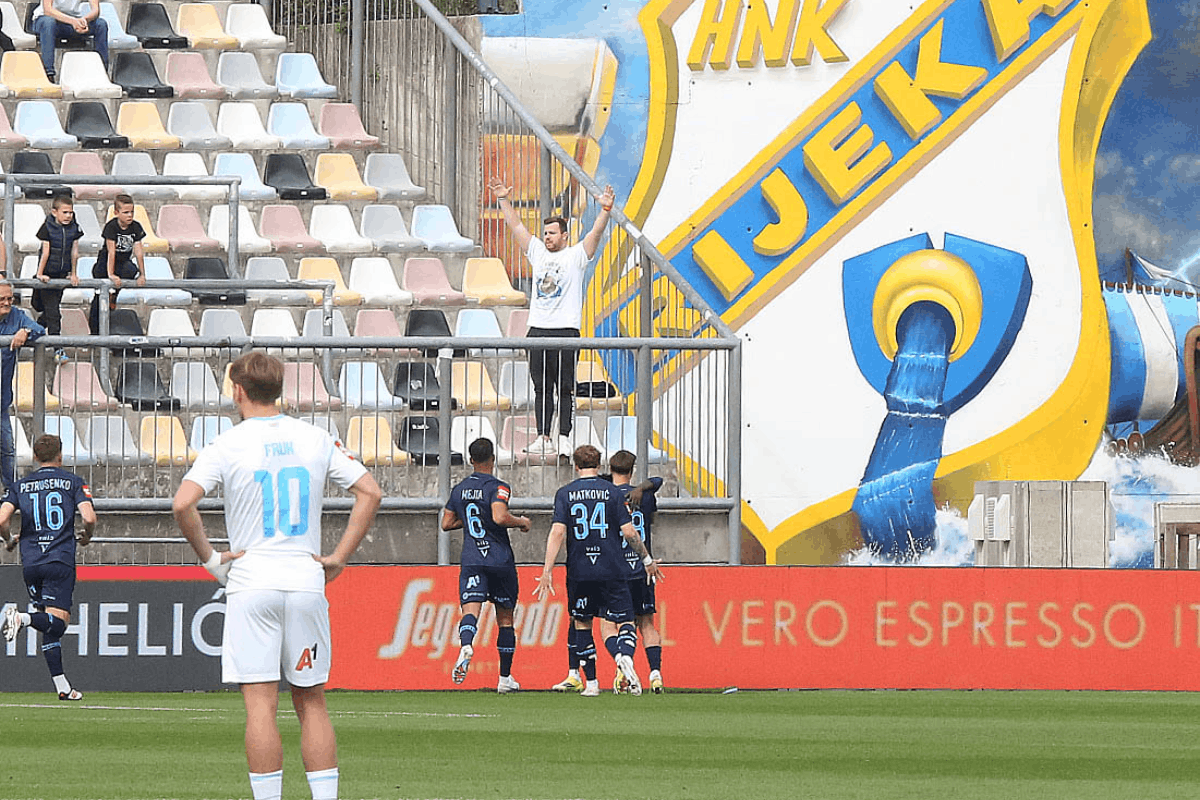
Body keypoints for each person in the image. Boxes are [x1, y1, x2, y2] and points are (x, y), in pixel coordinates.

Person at [173, 352, 382, 800]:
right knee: (311, 701)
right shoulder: (315, 437)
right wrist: (340, 556)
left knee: (260, 706)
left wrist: (210, 558)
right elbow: (370, 491)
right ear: (279, 389)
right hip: (305, 579)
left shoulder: (227, 443)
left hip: (252, 582)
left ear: (238, 390)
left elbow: (182, 503)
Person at [487, 177, 615, 456]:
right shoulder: (537, 253)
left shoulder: (576, 256)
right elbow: (516, 227)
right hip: (538, 330)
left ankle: (564, 436)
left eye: (553, 233)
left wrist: (605, 210)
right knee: (541, 387)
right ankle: (543, 436)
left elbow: (595, 234)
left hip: (566, 330)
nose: (547, 237)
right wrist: (503, 199)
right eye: (545, 233)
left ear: (564, 236)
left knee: (565, 387)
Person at [533, 445, 661, 697]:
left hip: (579, 569)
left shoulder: (565, 493)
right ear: (599, 465)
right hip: (611, 568)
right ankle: (624, 657)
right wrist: (646, 559)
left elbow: (558, 532)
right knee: (625, 620)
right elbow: (629, 532)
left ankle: (591, 683)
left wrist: (547, 569)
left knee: (582, 623)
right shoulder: (612, 492)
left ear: (576, 466)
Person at [0, 434, 96, 701]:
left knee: (50, 625)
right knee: (59, 624)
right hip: (58, 559)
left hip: (31, 561)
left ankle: (63, 687)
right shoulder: (72, 482)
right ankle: (22, 619)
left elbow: (2, 519)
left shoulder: (20, 486)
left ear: (35, 457)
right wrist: (87, 535)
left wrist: (9, 541)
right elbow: (89, 517)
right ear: (60, 456)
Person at [441, 437, 531, 693]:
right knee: (505, 618)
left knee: (470, 610)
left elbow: (446, 523)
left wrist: (472, 519)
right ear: (492, 458)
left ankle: (466, 645)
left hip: (472, 559)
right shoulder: (499, 487)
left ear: (471, 460)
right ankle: (505, 678)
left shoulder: (459, 489)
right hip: (499, 559)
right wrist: (521, 522)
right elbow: (499, 516)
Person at [0, 280, 45, 488]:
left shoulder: (17, 316)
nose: (7, 303)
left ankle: (11, 495)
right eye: (2, 299)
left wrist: (25, 331)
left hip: (1, 402)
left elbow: (39, 330)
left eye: (10, 298)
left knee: (7, 450)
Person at [34, 194, 82, 362]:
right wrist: (40, 274)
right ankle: (58, 349)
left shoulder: (74, 227)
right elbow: (45, 252)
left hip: (61, 275)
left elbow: (74, 252)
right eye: (65, 212)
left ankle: (32, 331)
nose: (68, 216)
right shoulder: (47, 227)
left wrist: (73, 273)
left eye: (71, 212)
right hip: (48, 276)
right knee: (52, 313)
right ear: (54, 212)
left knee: (50, 313)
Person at [89, 193, 146, 334]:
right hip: (105, 263)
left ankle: (114, 294)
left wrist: (142, 274)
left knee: (131, 270)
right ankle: (95, 330)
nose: (130, 215)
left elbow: (139, 252)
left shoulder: (136, 227)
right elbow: (111, 252)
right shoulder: (111, 227)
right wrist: (111, 274)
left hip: (122, 262)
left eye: (132, 212)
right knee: (99, 299)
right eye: (126, 212)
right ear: (116, 213)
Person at [31, 0, 109, 84]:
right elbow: (48, 10)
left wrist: (84, 20)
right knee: (48, 22)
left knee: (101, 24)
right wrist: (73, 21)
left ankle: (102, 72)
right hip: (46, 20)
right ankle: (48, 74)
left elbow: (96, 10)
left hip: (72, 22)